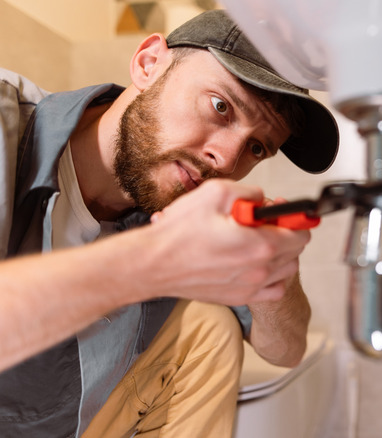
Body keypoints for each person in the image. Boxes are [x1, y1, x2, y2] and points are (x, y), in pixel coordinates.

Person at [0, 9, 339, 438]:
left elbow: (287, 350)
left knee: (208, 324)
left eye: (256, 147)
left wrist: (275, 275)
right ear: (149, 63)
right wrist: (155, 260)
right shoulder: (5, 123)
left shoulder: (183, 202)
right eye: (221, 106)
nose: (228, 160)